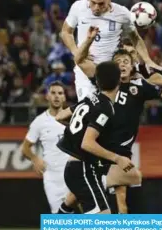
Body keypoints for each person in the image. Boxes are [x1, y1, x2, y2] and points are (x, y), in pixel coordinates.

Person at [57, 27, 162, 213]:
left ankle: (60, 215)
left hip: (117, 151)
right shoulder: (104, 86)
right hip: (100, 152)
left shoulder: (139, 85)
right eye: (119, 62)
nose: (124, 65)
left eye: (127, 61)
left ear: (132, 65)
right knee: (92, 194)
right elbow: (79, 62)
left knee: (110, 197)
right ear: (113, 69)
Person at [60, 0, 162, 101]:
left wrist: (147, 60)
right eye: (93, 3)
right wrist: (77, 52)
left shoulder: (122, 13)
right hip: (85, 70)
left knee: (111, 114)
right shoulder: (78, 7)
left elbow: (135, 38)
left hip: (112, 72)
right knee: (89, 110)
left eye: (101, 3)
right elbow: (65, 32)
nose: (96, 7)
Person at [56, 61, 131, 214]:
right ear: (119, 82)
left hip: (76, 167)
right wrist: (118, 158)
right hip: (83, 168)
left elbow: (60, 116)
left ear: (97, 81)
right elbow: (87, 143)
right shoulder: (105, 108)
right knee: (103, 219)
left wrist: (79, 130)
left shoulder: (91, 99)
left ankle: (60, 218)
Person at [21, 81, 70, 214]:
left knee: (88, 213)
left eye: (60, 93)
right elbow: (25, 147)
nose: (56, 96)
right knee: (59, 219)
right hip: (52, 177)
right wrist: (35, 159)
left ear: (64, 97)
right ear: (47, 96)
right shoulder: (39, 121)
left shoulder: (74, 118)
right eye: (53, 93)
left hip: (73, 175)